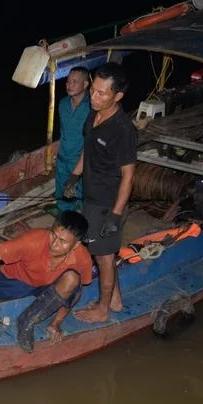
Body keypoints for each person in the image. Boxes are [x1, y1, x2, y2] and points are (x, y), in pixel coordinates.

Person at [62, 62, 137, 324]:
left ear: (118, 96)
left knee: (103, 258)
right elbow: (88, 150)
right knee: (101, 252)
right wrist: (74, 176)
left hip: (108, 204)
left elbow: (128, 176)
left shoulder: (123, 129)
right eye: (93, 90)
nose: (94, 97)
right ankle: (115, 300)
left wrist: (115, 216)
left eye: (102, 93)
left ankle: (103, 308)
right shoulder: (93, 115)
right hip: (91, 197)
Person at [0, 211, 92, 352]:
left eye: (63, 241)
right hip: (14, 282)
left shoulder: (82, 258)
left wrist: (56, 323)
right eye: (53, 235)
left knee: (73, 280)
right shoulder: (32, 240)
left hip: (45, 286)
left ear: (76, 244)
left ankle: (27, 321)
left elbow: (76, 292)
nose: (54, 244)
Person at [55, 66, 91, 212]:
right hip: (63, 158)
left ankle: (83, 219)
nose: (69, 85)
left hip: (82, 160)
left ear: (85, 84)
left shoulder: (92, 106)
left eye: (75, 82)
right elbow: (63, 131)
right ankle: (64, 217)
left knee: (83, 194)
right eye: (68, 81)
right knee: (62, 193)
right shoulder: (63, 104)